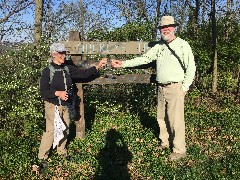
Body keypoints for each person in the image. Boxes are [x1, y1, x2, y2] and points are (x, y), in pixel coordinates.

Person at [111, 16, 196, 161]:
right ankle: (165, 142)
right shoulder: (159, 46)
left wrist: (184, 88)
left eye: (168, 27)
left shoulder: (183, 45)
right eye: (163, 28)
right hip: (161, 88)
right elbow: (144, 59)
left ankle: (179, 150)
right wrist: (123, 64)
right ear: (160, 30)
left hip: (175, 87)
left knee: (176, 120)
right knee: (161, 117)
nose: (166, 29)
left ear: (174, 28)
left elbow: (191, 68)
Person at [38, 42, 107, 168]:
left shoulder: (67, 68)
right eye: (60, 53)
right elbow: (43, 91)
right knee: (51, 130)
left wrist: (97, 66)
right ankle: (43, 157)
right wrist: (57, 93)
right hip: (53, 105)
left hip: (66, 104)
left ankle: (61, 151)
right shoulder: (47, 71)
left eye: (64, 53)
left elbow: (83, 74)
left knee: (65, 127)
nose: (63, 56)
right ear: (53, 54)